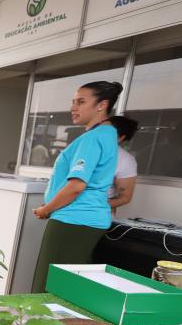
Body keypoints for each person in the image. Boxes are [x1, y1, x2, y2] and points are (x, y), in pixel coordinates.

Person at [31, 81, 121, 293]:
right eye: (73, 102)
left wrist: (46, 209)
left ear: (102, 105)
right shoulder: (108, 135)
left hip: (73, 219)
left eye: (81, 102)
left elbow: (76, 186)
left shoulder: (93, 138)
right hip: (86, 219)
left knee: (48, 287)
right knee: (67, 287)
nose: (73, 107)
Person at [108, 116, 139, 214]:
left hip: (95, 215)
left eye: (109, 133)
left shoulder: (125, 160)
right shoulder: (83, 149)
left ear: (121, 138)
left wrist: (87, 208)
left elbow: (124, 197)